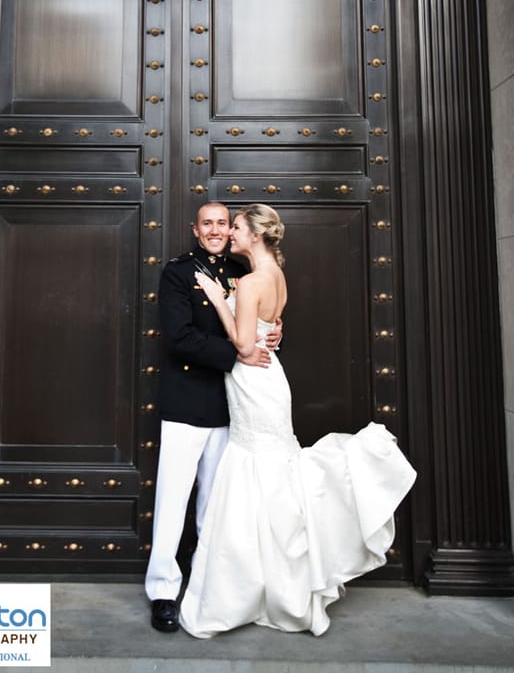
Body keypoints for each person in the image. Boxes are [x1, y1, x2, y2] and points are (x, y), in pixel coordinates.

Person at [179, 203, 417, 639]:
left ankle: (258, 586)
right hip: (268, 382)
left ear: (254, 234)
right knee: (273, 477)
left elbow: (241, 343)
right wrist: (264, 330)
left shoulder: (250, 281)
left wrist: (217, 299)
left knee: (262, 472)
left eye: (236, 227)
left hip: (254, 379)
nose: (230, 233)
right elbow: (264, 329)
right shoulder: (277, 277)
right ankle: (282, 584)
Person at [145, 202, 281, 633]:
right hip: (187, 402)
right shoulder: (179, 273)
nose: (217, 230)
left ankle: (207, 584)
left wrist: (271, 332)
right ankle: (164, 591)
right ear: (196, 230)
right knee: (173, 501)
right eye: (209, 224)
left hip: (229, 406)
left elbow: (254, 319)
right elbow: (180, 338)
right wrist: (241, 354)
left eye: (224, 223)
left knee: (215, 505)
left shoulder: (241, 273)